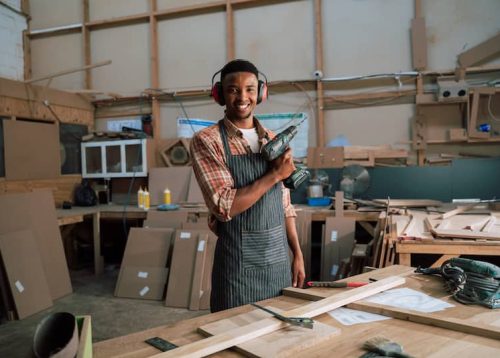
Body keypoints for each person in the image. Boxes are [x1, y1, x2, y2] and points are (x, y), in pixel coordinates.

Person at [190, 59, 305, 313]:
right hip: (237, 270)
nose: (242, 97)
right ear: (220, 94)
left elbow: (285, 205)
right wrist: (275, 175)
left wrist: (297, 253)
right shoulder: (208, 141)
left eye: (250, 89)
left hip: (277, 264)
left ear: (261, 93)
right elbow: (224, 206)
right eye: (233, 89)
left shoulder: (273, 140)